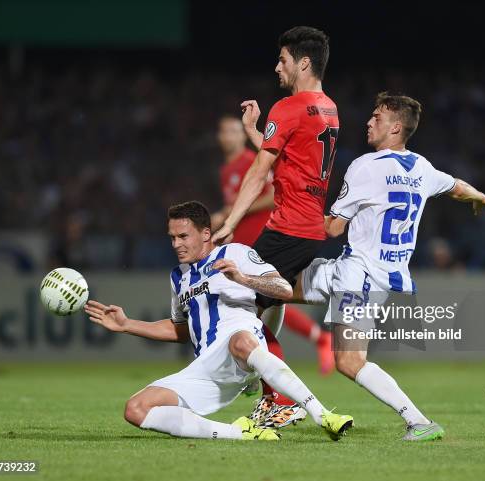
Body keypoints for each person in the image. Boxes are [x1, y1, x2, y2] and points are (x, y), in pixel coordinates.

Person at [291, 92, 485, 441]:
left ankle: (418, 421)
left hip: (361, 275)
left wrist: (299, 203)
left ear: (396, 127)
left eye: (377, 117)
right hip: (367, 272)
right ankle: (269, 393)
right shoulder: (422, 168)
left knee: (349, 361)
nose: (368, 122)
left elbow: (332, 228)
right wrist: (481, 196)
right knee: (272, 287)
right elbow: (455, 187)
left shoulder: (365, 167)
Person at [84, 201, 353, 441]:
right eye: (172, 238)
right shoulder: (179, 277)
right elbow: (181, 329)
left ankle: (323, 415)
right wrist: (126, 325)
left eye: (183, 236)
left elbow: (282, 289)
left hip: (241, 348)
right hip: (206, 367)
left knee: (239, 341)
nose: (176, 244)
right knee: (136, 409)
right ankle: (238, 433)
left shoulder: (234, 254)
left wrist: (243, 280)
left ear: (205, 234)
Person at [211, 26, 338, 428]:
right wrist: (255, 132)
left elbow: (259, 171)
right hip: (309, 227)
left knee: (237, 305)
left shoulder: (288, 107)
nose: (276, 66)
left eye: (282, 59)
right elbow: (291, 161)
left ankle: (279, 397)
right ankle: (271, 392)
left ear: (302, 62)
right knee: (272, 300)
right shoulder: (329, 107)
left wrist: (229, 222)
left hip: (286, 228)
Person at [211, 115, 334, 375]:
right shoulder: (226, 170)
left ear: (242, 136)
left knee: (263, 299)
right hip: (243, 240)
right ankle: (256, 372)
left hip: (265, 237)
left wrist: (227, 215)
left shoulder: (250, 161)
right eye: (224, 132)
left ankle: (262, 374)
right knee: (266, 302)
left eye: (234, 131)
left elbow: (269, 197)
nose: (228, 137)